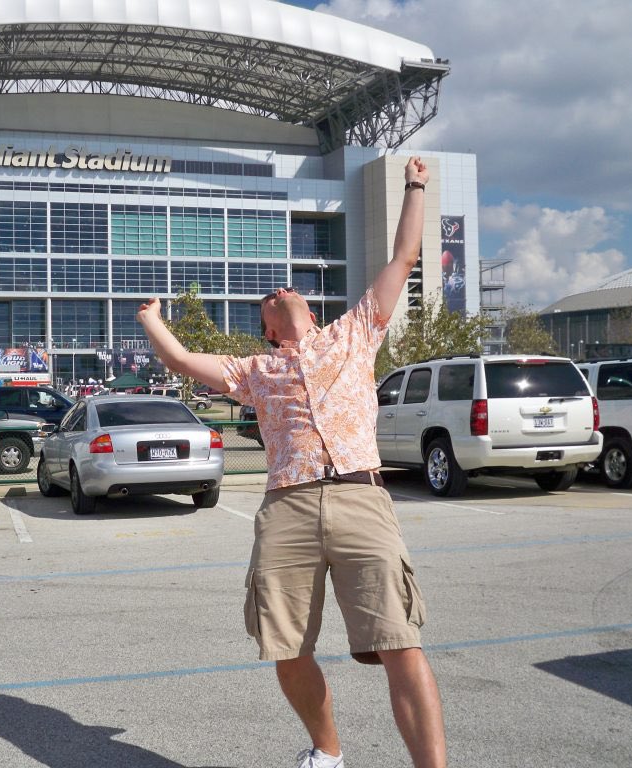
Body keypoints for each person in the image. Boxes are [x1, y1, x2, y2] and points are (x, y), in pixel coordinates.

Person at [137, 157, 446, 768]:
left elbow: (404, 257)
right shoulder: (254, 371)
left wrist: (414, 187)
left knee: (400, 642)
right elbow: (179, 360)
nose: (281, 289)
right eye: (269, 298)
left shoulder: (355, 333)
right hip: (288, 507)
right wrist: (151, 320)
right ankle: (328, 753)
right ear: (270, 329)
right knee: (284, 644)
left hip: (361, 496)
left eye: (286, 287)